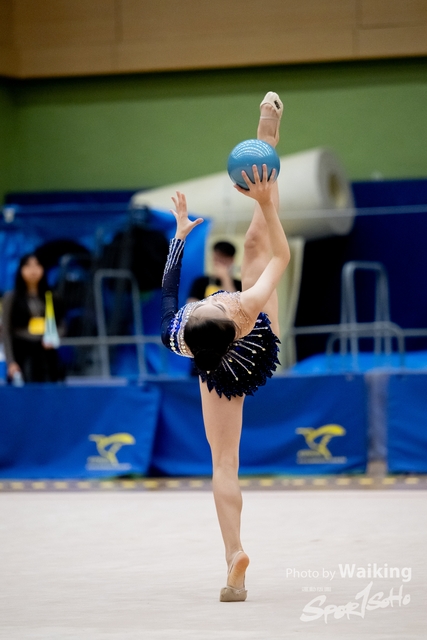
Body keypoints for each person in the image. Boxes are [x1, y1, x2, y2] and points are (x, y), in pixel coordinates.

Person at [161, 92, 290, 602]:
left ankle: (234, 557)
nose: (213, 298)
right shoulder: (245, 307)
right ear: (228, 316)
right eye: (216, 302)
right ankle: (267, 153)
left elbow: (169, 292)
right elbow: (280, 256)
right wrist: (266, 205)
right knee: (259, 245)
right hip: (253, 350)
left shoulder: (178, 335)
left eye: (204, 304)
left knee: (223, 462)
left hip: (223, 364)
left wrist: (179, 236)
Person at [2, 253, 64, 383]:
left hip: (45, 351)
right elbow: (6, 331)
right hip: (21, 352)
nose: (33, 270)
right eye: (28, 266)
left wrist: (54, 337)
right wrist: (11, 362)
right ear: (21, 270)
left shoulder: (51, 296)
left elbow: (61, 324)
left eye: (37, 265)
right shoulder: (11, 298)